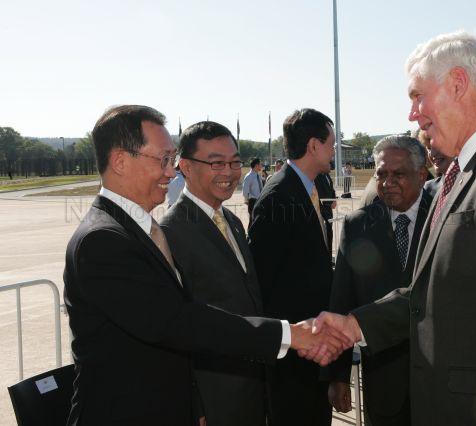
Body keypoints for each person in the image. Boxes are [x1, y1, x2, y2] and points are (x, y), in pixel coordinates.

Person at [311, 32, 476, 425]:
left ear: (457, 83)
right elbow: (431, 292)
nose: (413, 114)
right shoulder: (465, 170)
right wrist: (355, 325)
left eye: (417, 96)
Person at [63, 105, 348, 426]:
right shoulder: (103, 239)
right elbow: (176, 321)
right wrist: (289, 335)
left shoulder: (135, 230)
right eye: (163, 160)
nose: (172, 173)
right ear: (120, 161)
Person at [160, 121, 268, 426]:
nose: (229, 172)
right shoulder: (171, 232)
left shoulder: (232, 220)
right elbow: (176, 329)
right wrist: (196, 404)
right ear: (185, 167)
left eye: (234, 162)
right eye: (216, 162)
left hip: (250, 384)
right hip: (214, 396)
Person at [328, 135, 431, 425]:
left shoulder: (444, 218)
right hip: (384, 381)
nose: (388, 183)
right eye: (381, 174)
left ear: (422, 174)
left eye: (399, 174)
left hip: (439, 385)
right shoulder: (358, 224)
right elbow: (342, 300)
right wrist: (338, 376)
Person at [249, 108, 336, 426]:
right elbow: (262, 279)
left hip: (313, 348)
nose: (334, 151)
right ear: (314, 146)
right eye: (330, 144)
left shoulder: (307, 188)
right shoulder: (278, 197)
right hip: (291, 356)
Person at [416, 129, 453, 199]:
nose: (432, 154)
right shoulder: (426, 190)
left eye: (437, 147)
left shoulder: (472, 182)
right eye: (429, 148)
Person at [315, 172, 337, 251]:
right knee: (324, 231)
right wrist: (327, 202)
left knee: (329, 231)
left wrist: (334, 199)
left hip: (329, 207)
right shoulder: (317, 175)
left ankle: (329, 254)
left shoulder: (326, 174)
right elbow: (318, 191)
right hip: (322, 206)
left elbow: (331, 188)